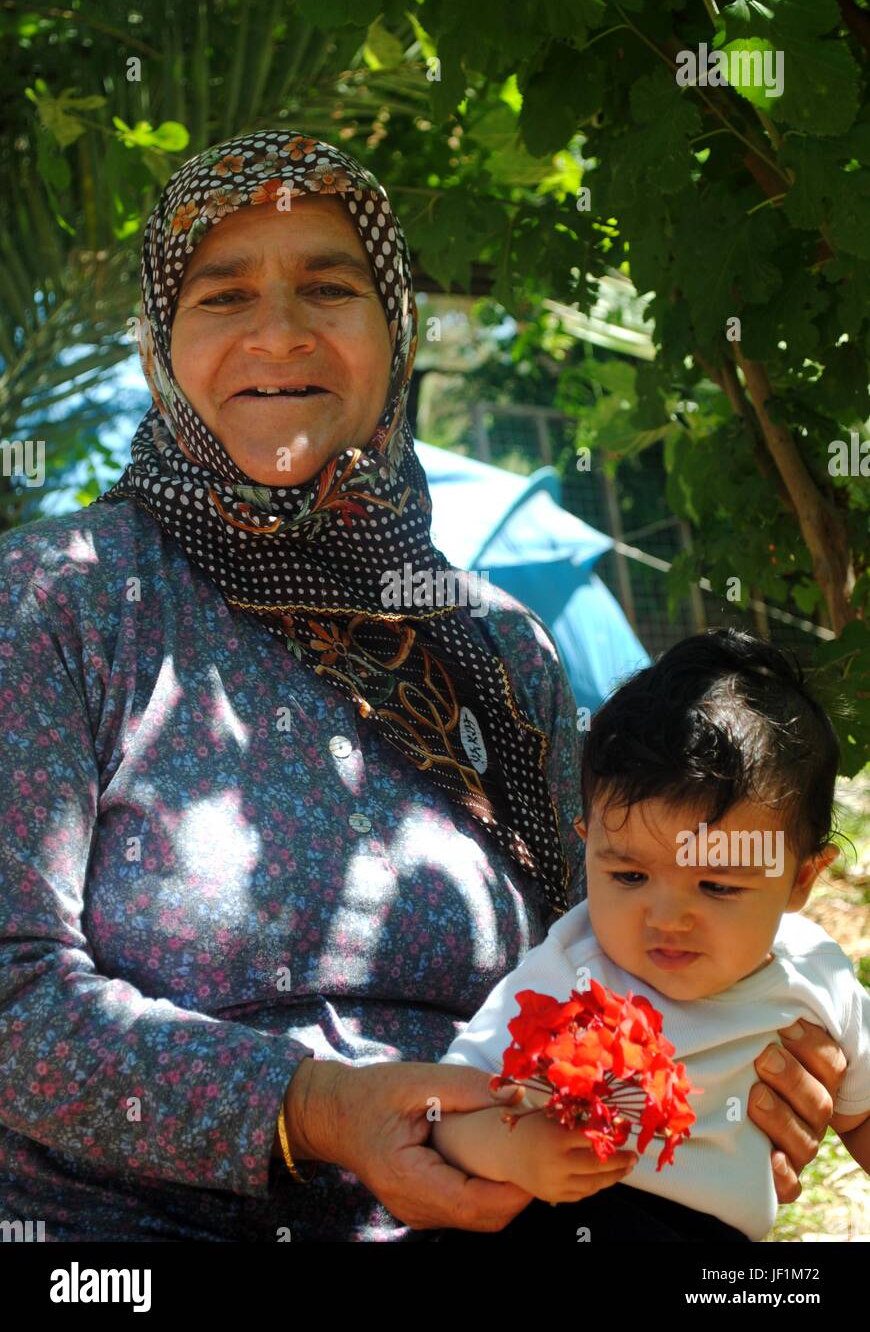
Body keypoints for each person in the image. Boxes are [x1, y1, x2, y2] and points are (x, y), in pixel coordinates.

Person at [0, 133, 848, 1242]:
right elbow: (13, 1002)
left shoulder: (496, 650)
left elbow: (615, 958)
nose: (279, 332)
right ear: (162, 346)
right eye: (222, 295)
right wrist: (312, 1109)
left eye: (328, 286)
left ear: (395, 332)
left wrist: (757, 1057)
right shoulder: (60, 603)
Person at [433, 630, 870, 1241]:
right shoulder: (570, 968)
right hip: (555, 1213)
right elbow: (447, 1110)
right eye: (630, 875)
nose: (666, 917)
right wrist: (512, 1153)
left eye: (717, 886)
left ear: (800, 880)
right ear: (588, 847)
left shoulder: (818, 977)